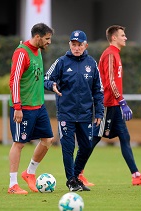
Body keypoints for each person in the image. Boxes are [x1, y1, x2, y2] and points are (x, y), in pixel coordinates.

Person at [79, 25, 141, 186]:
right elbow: (109, 81)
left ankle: (136, 175)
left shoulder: (116, 54)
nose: (125, 37)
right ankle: (77, 173)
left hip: (114, 104)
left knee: (124, 137)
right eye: (123, 35)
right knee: (94, 138)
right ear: (114, 38)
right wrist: (122, 102)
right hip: (108, 104)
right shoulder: (109, 54)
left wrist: (119, 102)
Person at [44, 30, 104, 192]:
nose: (76, 48)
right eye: (73, 44)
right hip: (66, 114)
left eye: (80, 45)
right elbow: (46, 79)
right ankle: (71, 181)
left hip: (85, 115)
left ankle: (76, 177)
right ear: (70, 45)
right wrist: (52, 85)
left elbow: (98, 90)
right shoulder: (61, 62)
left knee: (86, 147)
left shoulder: (92, 63)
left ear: (86, 46)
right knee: (68, 148)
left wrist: (99, 112)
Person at [8, 23, 54, 194]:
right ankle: (13, 185)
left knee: (48, 139)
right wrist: (18, 107)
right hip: (24, 107)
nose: (49, 42)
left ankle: (29, 173)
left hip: (38, 106)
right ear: (38, 37)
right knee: (19, 143)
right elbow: (14, 81)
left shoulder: (38, 51)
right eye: (47, 39)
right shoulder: (21, 53)